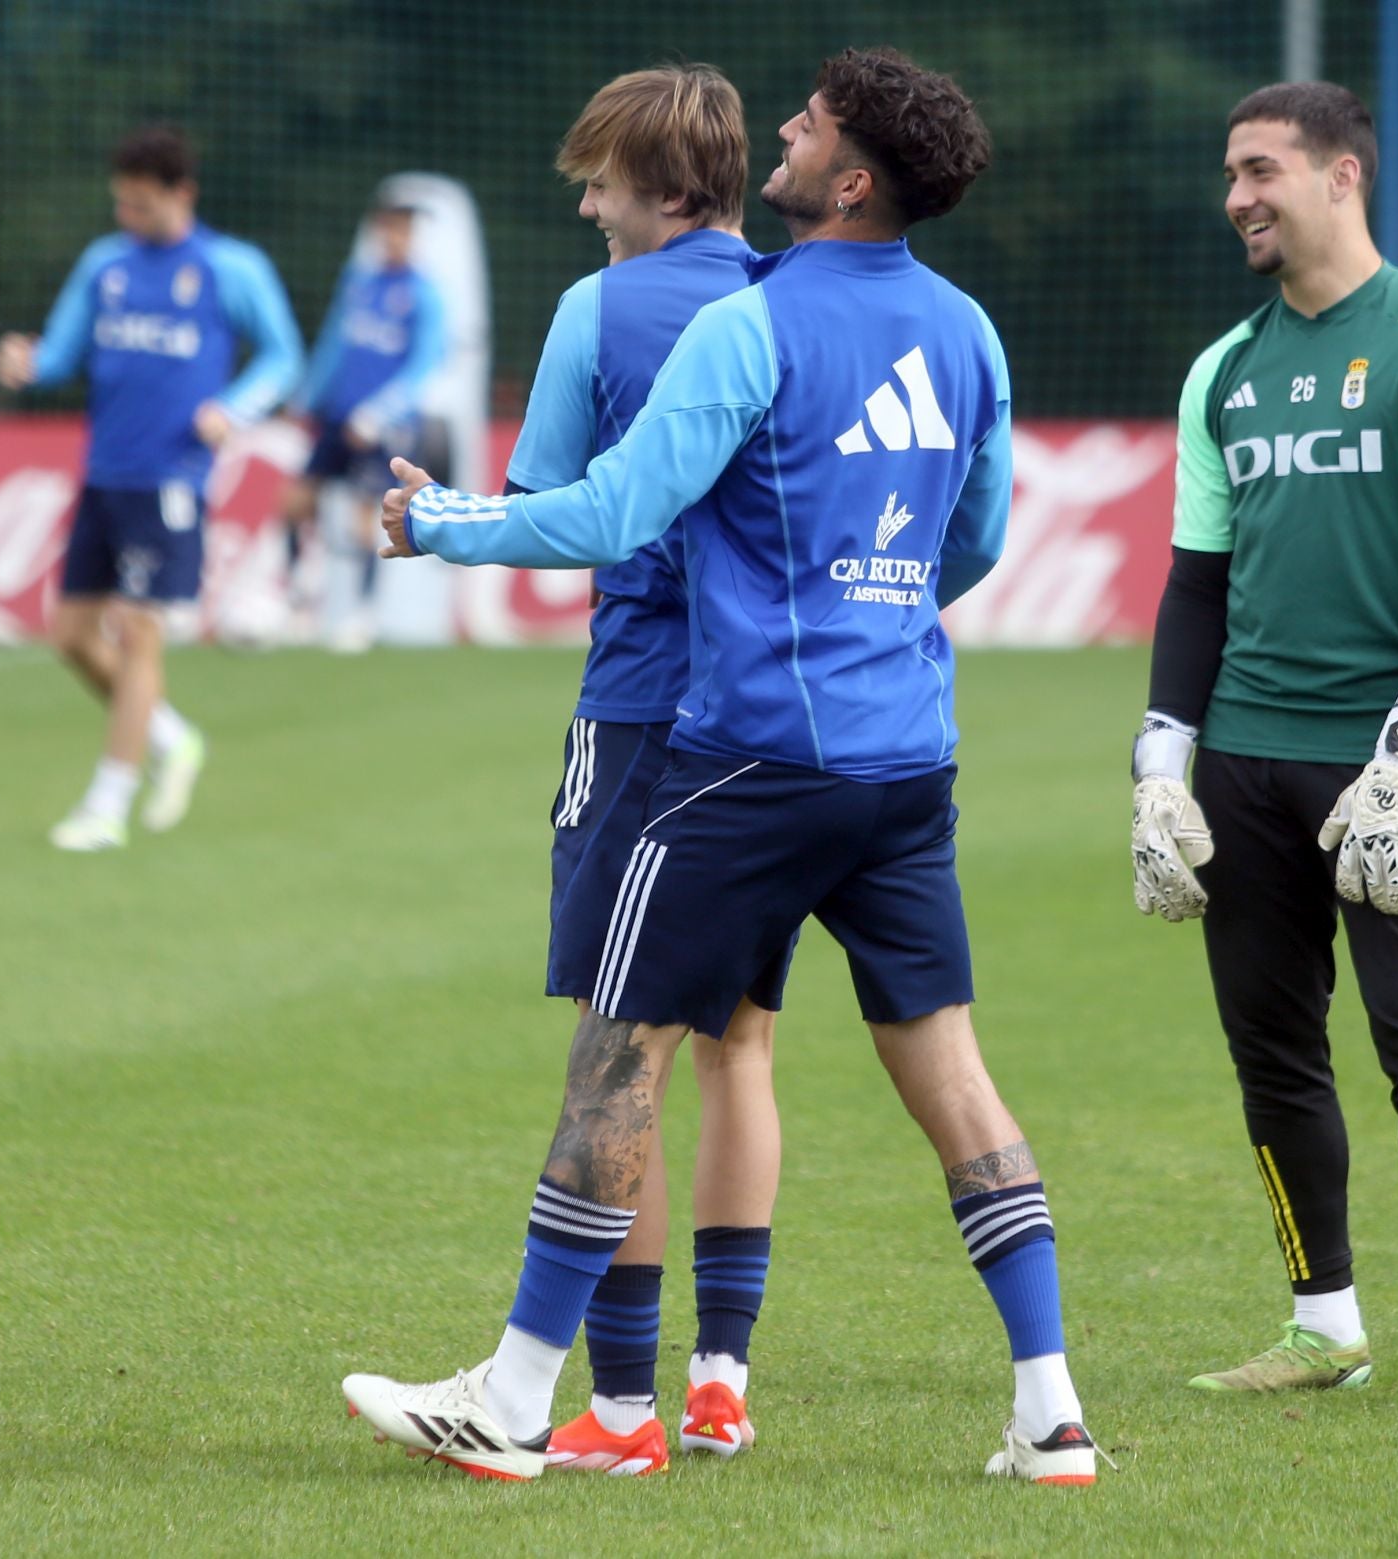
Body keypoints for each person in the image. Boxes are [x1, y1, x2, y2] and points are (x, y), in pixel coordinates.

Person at [345, 47, 1099, 1487]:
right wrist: (874, 607)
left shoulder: (757, 321)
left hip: (745, 757)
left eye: (809, 128)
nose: (787, 137)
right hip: (906, 759)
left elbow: (619, 507)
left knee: (620, 1046)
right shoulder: (971, 330)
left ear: (852, 179)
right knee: (953, 1076)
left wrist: (439, 521)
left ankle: (518, 1396)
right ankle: (1051, 1408)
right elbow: (978, 540)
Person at [1128, 81, 1398, 1413]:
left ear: (1341, 176)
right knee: (1272, 1048)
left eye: (1259, 170)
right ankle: (1324, 1322)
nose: (1238, 197)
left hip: (1387, 767)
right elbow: (1198, 585)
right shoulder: (1226, 371)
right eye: (1230, 174)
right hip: (1247, 763)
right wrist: (1159, 763)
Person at [500, 66, 782, 1477]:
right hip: (771, 731)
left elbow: (553, 499)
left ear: (667, 186)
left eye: (602, 173)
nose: (584, 194)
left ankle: (618, 1408)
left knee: (627, 1054)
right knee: (743, 1046)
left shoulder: (596, 310)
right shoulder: (788, 298)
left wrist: (445, 520)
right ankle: (722, 1378)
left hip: (636, 716)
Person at [0, 125, 303, 849]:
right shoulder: (105, 265)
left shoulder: (231, 268)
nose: (129, 218)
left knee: (137, 634)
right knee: (70, 634)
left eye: (143, 206)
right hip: (106, 473)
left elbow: (284, 355)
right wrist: (26, 361)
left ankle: (108, 804)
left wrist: (234, 407)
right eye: (121, 205)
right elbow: (60, 353)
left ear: (182, 194)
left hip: (173, 477)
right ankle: (169, 735)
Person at [283, 180, 450, 651]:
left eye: (404, 231)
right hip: (337, 416)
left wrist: (378, 413)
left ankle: (361, 613)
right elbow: (335, 345)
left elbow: (423, 367)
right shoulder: (359, 283)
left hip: (384, 428)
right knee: (294, 504)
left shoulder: (424, 294)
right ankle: (297, 602)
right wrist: (306, 398)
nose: (395, 239)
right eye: (389, 230)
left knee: (366, 518)